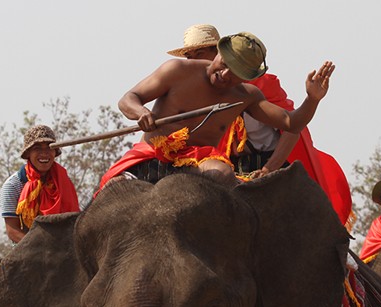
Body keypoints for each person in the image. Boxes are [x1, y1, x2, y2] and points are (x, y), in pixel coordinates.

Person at [98, 30, 334, 190]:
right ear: (219, 52)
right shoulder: (176, 70)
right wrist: (141, 112)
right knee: (113, 188)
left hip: (198, 159)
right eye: (224, 64)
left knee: (222, 175)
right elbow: (129, 98)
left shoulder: (247, 96)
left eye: (235, 74)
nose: (223, 75)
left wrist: (312, 99)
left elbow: (291, 123)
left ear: (246, 78)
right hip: (152, 152)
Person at [167, 24, 353, 226]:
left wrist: (268, 170)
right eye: (189, 57)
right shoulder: (199, 92)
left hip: (271, 167)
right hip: (229, 169)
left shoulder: (257, 87)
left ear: (218, 53)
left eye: (200, 53)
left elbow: (292, 128)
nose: (193, 61)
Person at [0, 125, 79, 243]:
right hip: (27, 250)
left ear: (55, 152)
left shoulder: (63, 181)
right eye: (37, 148)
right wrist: (42, 248)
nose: (44, 154)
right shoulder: (13, 185)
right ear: (28, 154)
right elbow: (13, 231)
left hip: (64, 247)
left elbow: (74, 222)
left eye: (49, 148)